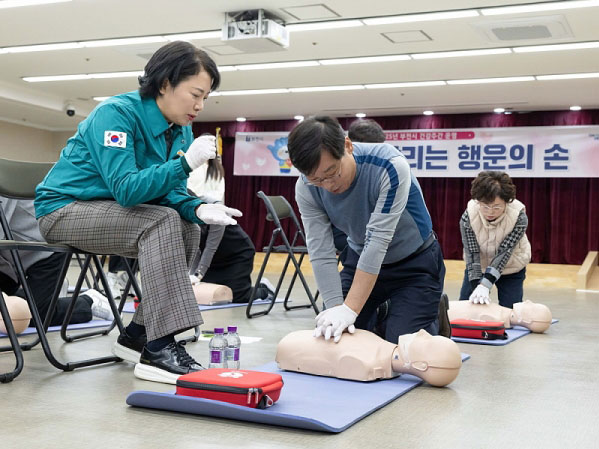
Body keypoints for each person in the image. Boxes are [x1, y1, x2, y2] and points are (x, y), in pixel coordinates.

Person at [34, 41, 242, 384]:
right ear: (165, 84)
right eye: (195, 94)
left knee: (187, 226)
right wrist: (185, 164)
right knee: (162, 220)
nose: (200, 105)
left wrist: (198, 207)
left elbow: (171, 193)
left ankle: (139, 335)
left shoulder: (181, 129)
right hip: (63, 210)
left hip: (110, 212)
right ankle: (160, 348)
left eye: (205, 98)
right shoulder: (115, 114)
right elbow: (127, 190)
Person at [287, 116, 447, 345]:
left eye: (332, 173)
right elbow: (320, 250)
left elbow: (377, 241)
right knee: (335, 339)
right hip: (359, 259)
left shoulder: (390, 166)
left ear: (348, 146)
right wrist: (336, 311)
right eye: (318, 180)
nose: (329, 185)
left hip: (414, 264)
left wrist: (350, 309)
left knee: (402, 347)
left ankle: (430, 313)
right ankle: (382, 311)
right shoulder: (306, 187)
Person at [0, 196, 114, 326]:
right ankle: (48, 294)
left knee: (32, 315)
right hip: (10, 259)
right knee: (9, 312)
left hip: (44, 250)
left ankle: (89, 301)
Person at [187, 156, 275, 303]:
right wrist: (192, 274)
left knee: (238, 296)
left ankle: (264, 289)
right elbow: (197, 247)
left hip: (237, 254)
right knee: (211, 291)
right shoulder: (187, 216)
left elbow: (210, 247)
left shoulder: (214, 209)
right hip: (216, 260)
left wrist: (199, 274)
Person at [276, 328, 462, 387]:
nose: (422, 332)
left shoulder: (365, 362)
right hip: (295, 340)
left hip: (291, 345)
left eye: (428, 342)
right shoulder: (378, 346)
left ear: (421, 366)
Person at [459, 171, 531, 308]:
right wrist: (477, 286)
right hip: (479, 265)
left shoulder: (519, 217)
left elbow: (504, 252)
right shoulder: (469, 216)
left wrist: (485, 284)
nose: (490, 212)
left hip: (511, 266)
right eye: (485, 206)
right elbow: (472, 253)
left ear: (507, 202)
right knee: (467, 306)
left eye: (496, 207)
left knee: (510, 310)